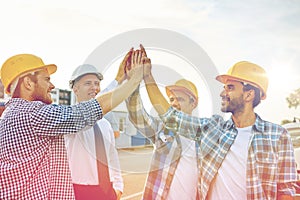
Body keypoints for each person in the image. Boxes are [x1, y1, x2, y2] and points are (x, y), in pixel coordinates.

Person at [142, 58, 298, 199]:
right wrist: (148, 77)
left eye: (230, 87)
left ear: (248, 95)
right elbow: (171, 116)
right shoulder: (213, 129)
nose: (223, 93)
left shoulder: (278, 136)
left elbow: (285, 190)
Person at [0, 51, 144, 199]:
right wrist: (134, 80)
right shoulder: (32, 114)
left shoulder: (13, 113)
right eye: (46, 79)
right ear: (28, 83)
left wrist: (118, 80)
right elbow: (86, 111)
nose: (52, 85)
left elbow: (88, 108)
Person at [122, 45, 200, 199]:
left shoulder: (206, 136)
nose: (174, 103)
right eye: (171, 99)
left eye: (180, 99)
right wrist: (133, 81)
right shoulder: (162, 130)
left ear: (193, 103)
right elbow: (137, 116)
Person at [65, 63, 125, 200]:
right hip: (78, 191)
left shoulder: (105, 124)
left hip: (107, 191)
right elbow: (85, 112)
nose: (94, 88)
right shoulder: (67, 120)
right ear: (75, 88)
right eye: (88, 83)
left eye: (97, 84)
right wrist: (118, 80)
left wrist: (118, 187)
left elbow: (112, 157)